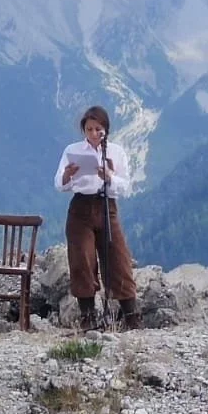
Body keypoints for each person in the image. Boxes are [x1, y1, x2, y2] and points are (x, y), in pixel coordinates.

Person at [54, 105, 141, 330]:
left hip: (107, 205)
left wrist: (110, 176)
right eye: (89, 129)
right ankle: (88, 316)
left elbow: (126, 188)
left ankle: (130, 314)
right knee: (82, 259)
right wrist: (67, 175)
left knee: (118, 257)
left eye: (98, 129)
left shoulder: (116, 152)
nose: (93, 133)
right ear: (84, 130)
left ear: (106, 130)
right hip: (81, 207)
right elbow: (59, 184)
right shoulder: (72, 150)